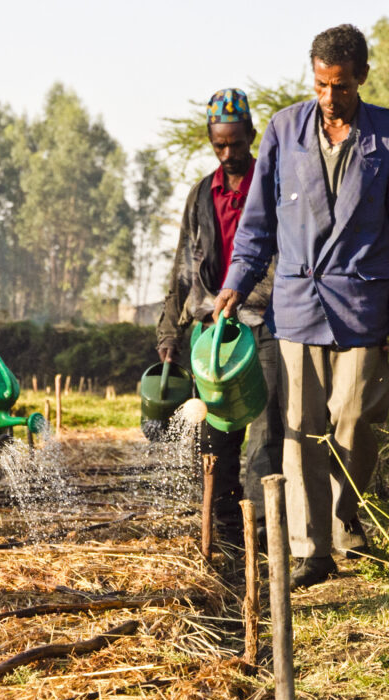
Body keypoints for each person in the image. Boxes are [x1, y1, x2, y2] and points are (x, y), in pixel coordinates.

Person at [215, 24, 389, 588]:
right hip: (297, 302)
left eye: (340, 86)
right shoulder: (284, 129)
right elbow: (257, 224)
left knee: (355, 419)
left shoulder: (385, 136)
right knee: (298, 427)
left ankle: (346, 524)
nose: (329, 98)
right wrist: (236, 283)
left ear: (361, 77)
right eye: (320, 85)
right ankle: (312, 551)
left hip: (363, 302)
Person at [157, 88, 283, 550]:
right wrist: (171, 330)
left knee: (265, 434)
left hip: (265, 323)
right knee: (215, 435)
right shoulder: (201, 195)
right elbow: (183, 269)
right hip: (214, 334)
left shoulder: (270, 187)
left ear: (251, 135)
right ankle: (229, 538)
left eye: (235, 142)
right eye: (219, 144)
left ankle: (265, 540)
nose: (227, 153)